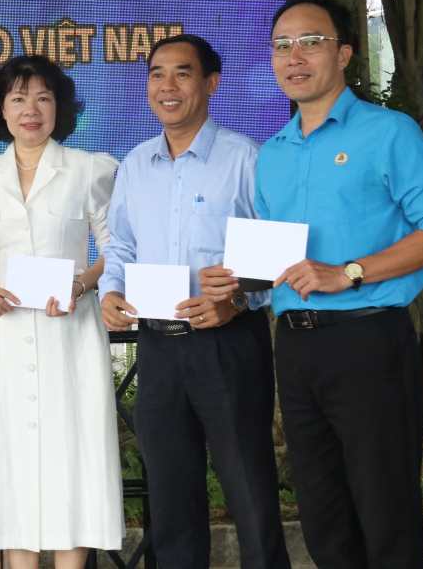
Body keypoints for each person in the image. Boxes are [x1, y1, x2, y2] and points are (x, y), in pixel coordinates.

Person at [252, 0, 423, 569]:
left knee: (383, 506)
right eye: (281, 46)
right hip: (295, 344)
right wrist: (236, 280)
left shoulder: (388, 132)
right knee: (322, 511)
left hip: (367, 341)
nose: (293, 57)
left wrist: (350, 272)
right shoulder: (270, 154)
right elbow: (276, 259)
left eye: (310, 41)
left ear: (344, 53)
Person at [100, 35, 289, 569]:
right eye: (157, 74)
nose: (167, 86)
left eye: (182, 73)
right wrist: (111, 290)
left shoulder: (245, 158)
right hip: (157, 349)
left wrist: (240, 304)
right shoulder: (135, 164)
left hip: (228, 344)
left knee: (248, 486)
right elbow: (120, 246)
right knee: (171, 495)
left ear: (211, 83)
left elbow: (280, 257)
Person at [0, 54, 123, 568]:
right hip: (1, 337)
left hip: (68, 332)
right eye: (19, 98)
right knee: (11, 460)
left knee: (75, 454)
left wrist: (82, 284)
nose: (31, 110)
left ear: (59, 108)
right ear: (0, 109)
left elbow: (115, 250)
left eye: (43, 98)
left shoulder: (91, 169)